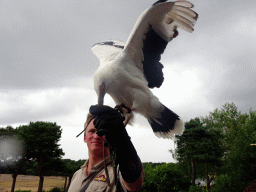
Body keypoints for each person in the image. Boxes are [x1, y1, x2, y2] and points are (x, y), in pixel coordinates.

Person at [68, 105, 144, 192]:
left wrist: (121, 136)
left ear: (109, 136)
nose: (97, 136)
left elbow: (134, 185)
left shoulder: (117, 171)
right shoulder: (76, 175)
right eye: (92, 131)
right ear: (84, 138)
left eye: (102, 131)